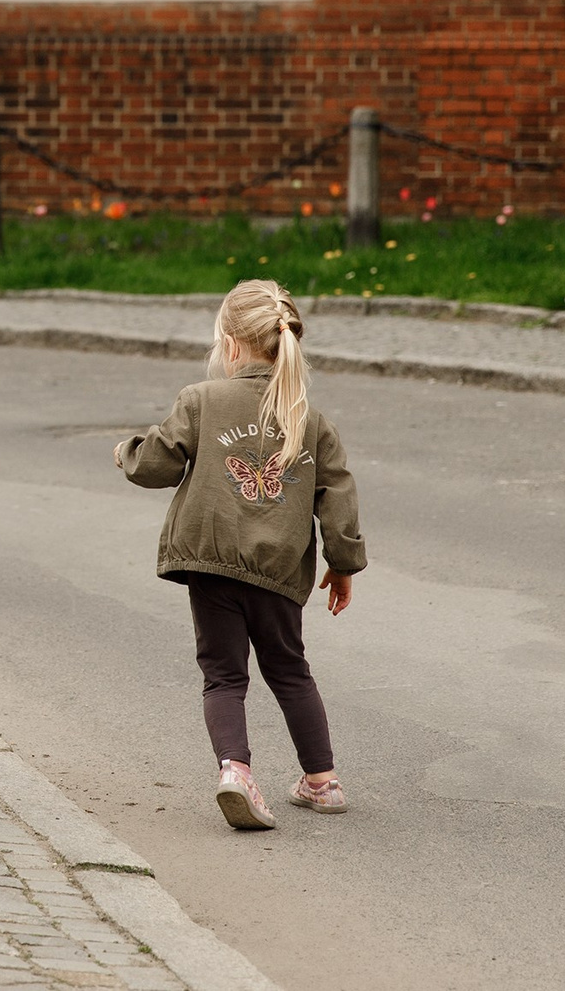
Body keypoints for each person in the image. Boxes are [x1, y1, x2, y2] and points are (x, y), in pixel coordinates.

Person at [114, 279, 364, 829]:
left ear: (229, 345)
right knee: (290, 670)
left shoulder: (202, 401)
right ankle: (322, 782)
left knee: (224, 676)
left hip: (212, 563)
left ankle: (236, 772)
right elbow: (338, 496)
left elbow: (156, 464)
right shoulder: (311, 421)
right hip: (278, 571)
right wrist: (343, 565)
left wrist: (127, 452)